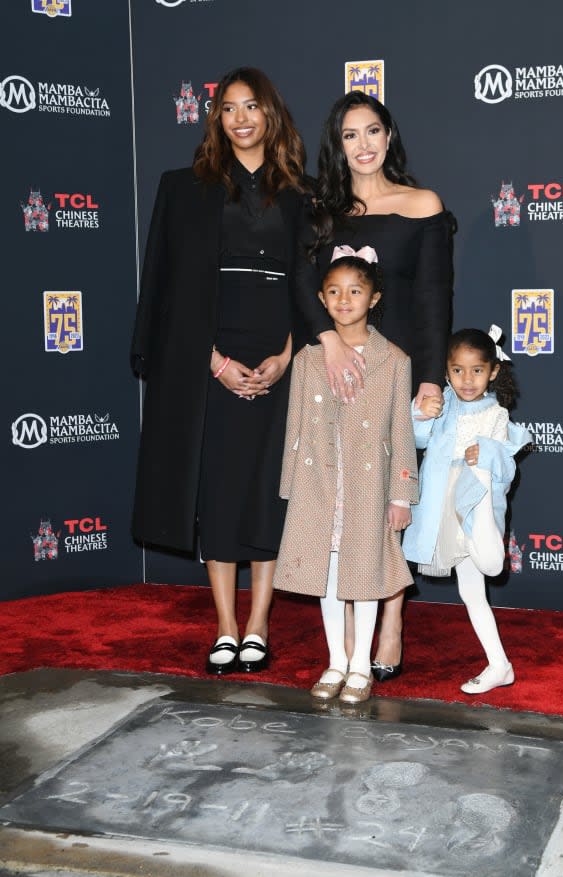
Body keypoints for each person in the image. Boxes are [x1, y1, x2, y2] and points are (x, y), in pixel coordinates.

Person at [131, 67, 311, 675]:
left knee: (266, 490)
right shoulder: (183, 188)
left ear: (271, 115)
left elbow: (310, 289)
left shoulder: (301, 194)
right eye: (229, 108)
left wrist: (288, 355)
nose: (240, 118)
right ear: (216, 119)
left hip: (278, 355)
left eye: (252, 106)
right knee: (218, 490)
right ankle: (226, 628)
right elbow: (166, 287)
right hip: (208, 357)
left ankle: (259, 623)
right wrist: (211, 361)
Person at [296, 91, 454, 681]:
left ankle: (391, 620)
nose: (362, 146)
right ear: (337, 146)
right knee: (344, 503)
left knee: (392, 500)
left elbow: (436, 299)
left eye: (371, 132)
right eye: (349, 136)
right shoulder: (321, 212)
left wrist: (431, 379)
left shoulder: (423, 204)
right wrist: (330, 345)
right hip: (336, 377)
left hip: (400, 374)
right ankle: (347, 634)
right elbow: (304, 291)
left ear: (389, 136)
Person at [274, 248, 418, 704]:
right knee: (329, 577)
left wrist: (401, 495)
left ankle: (361, 667)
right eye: (333, 292)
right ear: (320, 298)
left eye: (355, 291)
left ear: (373, 298)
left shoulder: (394, 360)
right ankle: (336, 660)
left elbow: (402, 430)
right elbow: (294, 428)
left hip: (368, 489)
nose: (344, 300)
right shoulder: (307, 359)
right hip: (319, 489)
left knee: (365, 575)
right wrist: (290, 487)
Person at [402, 326, 531, 694]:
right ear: (446, 371)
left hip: (475, 508)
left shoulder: (497, 415)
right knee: (471, 591)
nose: (467, 379)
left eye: (476, 370)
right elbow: (418, 441)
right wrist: (420, 414)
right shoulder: (443, 401)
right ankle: (499, 665)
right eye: (458, 370)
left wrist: (488, 454)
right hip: (443, 506)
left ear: (492, 371)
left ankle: (499, 664)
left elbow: (506, 471)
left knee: (483, 572)